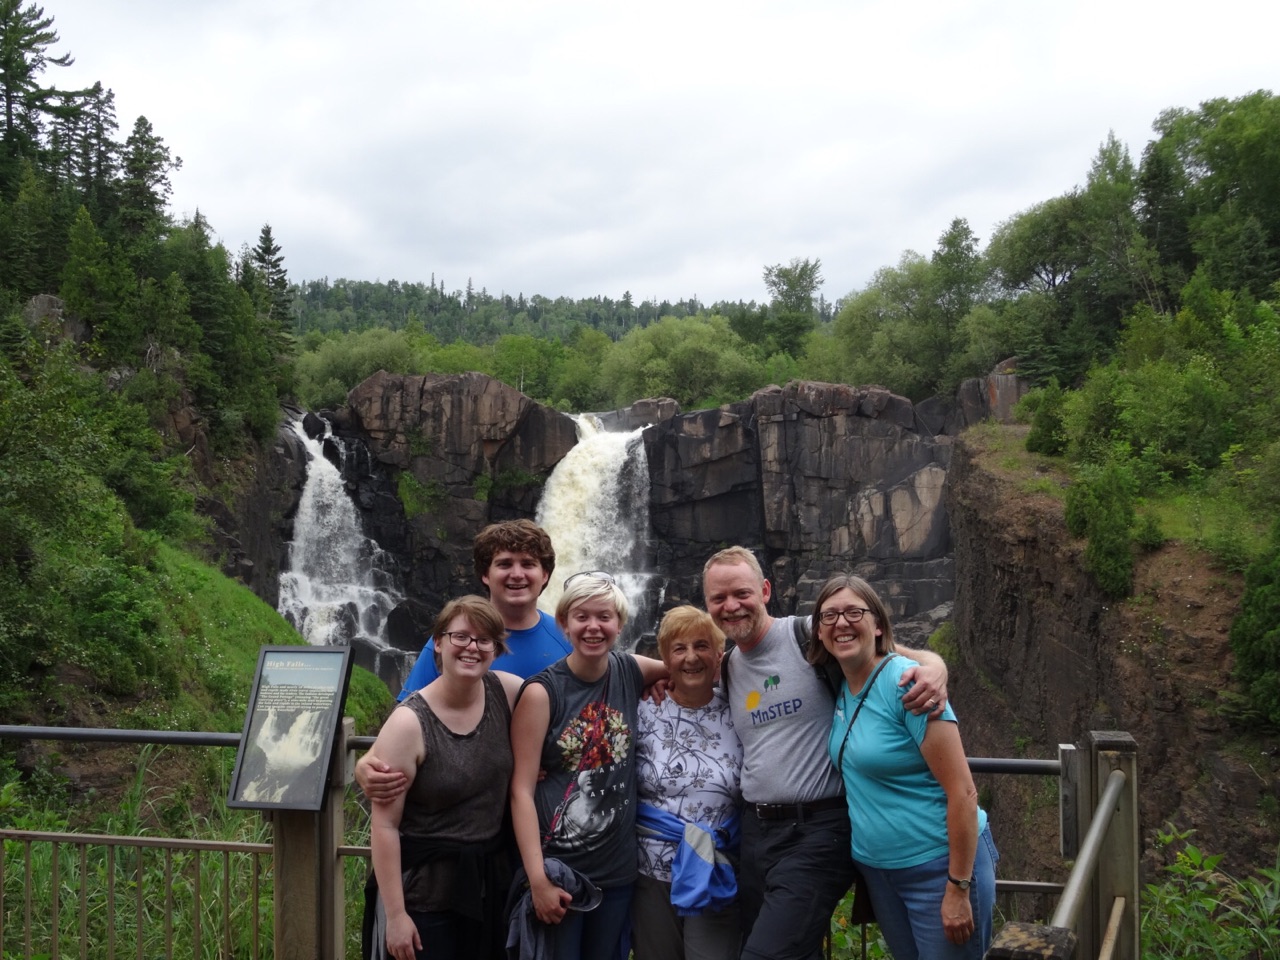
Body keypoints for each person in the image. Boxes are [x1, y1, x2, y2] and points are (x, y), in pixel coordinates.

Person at [703, 546, 950, 960]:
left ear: (765, 590)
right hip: (756, 833)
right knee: (787, 947)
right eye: (718, 599)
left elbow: (889, 654)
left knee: (765, 954)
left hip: (820, 828)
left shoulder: (809, 635)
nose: (731, 606)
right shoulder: (726, 666)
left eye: (741, 593)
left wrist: (935, 665)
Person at [811, 573, 997, 960]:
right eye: (829, 616)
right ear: (818, 631)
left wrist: (958, 887)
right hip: (880, 874)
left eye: (853, 612)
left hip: (938, 868)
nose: (841, 624)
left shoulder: (908, 685)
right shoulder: (841, 684)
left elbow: (963, 792)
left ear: (877, 625)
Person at [508, 572, 668, 960]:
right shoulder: (542, 692)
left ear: (620, 624)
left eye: (604, 617)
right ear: (563, 623)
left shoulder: (630, 670)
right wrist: (538, 880)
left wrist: (668, 683)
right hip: (560, 873)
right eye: (581, 617)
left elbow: (690, 666)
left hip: (618, 872)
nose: (593, 627)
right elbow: (521, 791)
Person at [357, 520, 570, 800]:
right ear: (485, 574)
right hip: (469, 804)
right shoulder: (456, 642)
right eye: (504, 564)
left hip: (551, 803)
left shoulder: (568, 639)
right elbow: (407, 715)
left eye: (528, 564)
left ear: (545, 575)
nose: (517, 574)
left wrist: (650, 679)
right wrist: (366, 763)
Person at [363, 595, 523, 960]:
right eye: (461, 636)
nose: (473, 647)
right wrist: (396, 915)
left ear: (495, 649)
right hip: (422, 898)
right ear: (438, 642)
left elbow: (572, 688)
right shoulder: (409, 722)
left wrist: (662, 679)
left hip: (486, 888)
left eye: (485, 640)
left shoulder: (508, 692)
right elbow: (384, 826)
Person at [632, 605, 743, 960]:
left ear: (718, 655)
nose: (691, 658)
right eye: (679, 648)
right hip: (650, 868)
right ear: (664, 658)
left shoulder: (741, 710)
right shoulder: (641, 710)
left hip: (716, 866)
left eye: (702, 646)